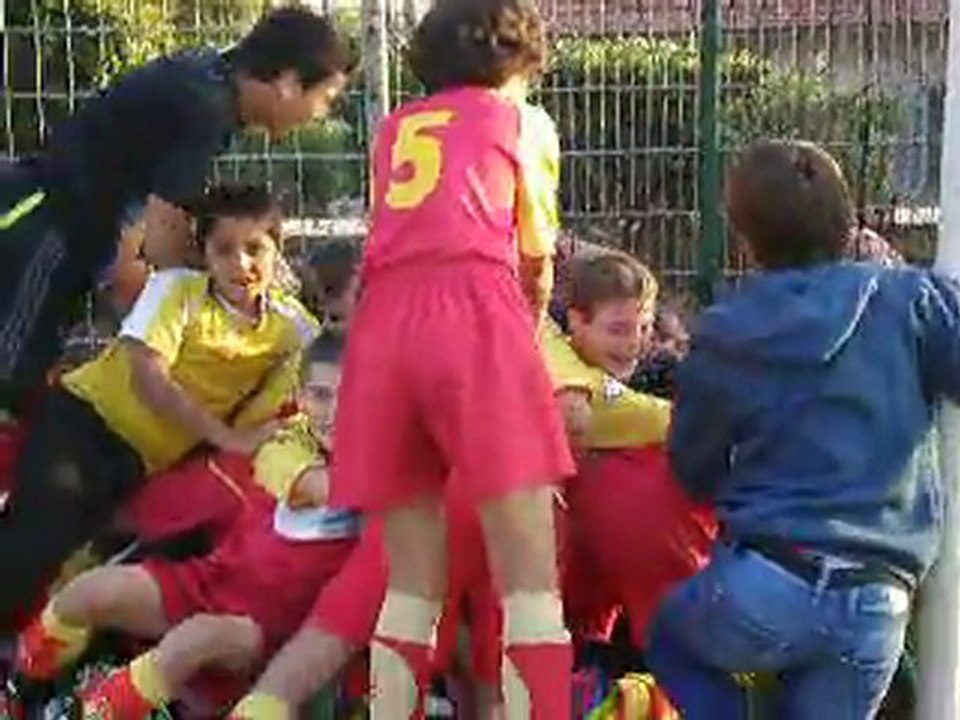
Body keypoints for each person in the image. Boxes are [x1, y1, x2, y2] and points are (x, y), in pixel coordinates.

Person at [646, 140, 953, 720]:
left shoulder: (727, 332)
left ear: (745, 239)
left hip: (763, 583)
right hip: (877, 597)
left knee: (670, 636)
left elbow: (694, 470)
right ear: (850, 219)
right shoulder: (909, 301)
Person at [329, 0, 576, 716]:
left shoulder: (394, 128)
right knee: (530, 581)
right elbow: (535, 256)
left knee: (410, 585)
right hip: (472, 310)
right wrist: (524, 337)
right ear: (517, 62)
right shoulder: (523, 122)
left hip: (383, 323)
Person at [0, 6, 353, 414]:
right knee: (9, 384)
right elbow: (163, 245)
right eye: (325, 98)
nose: (321, 114)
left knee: (25, 385)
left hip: (58, 225)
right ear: (289, 83)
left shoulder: (209, 77)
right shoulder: (206, 110)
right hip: (41, 229)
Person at [0, 184, 318, 629]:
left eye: (255, 249)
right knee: (38, 538)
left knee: (85, 553)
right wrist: (227, 437)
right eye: (224, 249)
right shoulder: (177, 291)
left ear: (277, 252)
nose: (241, 264)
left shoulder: (293, 327)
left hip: (141, 461)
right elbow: (149, 376)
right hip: (83, 422)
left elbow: (329, 363)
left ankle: (34, 665)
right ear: (204, 253)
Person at [14, 332, 357, 718]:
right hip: (211, 582)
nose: (335, 412)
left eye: (355, 397)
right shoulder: (286, 447)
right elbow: (319, 486)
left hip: (271, 632)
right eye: (321, 395)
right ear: (300, 396)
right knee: (88, 590)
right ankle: (18, 691)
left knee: (198, 637)